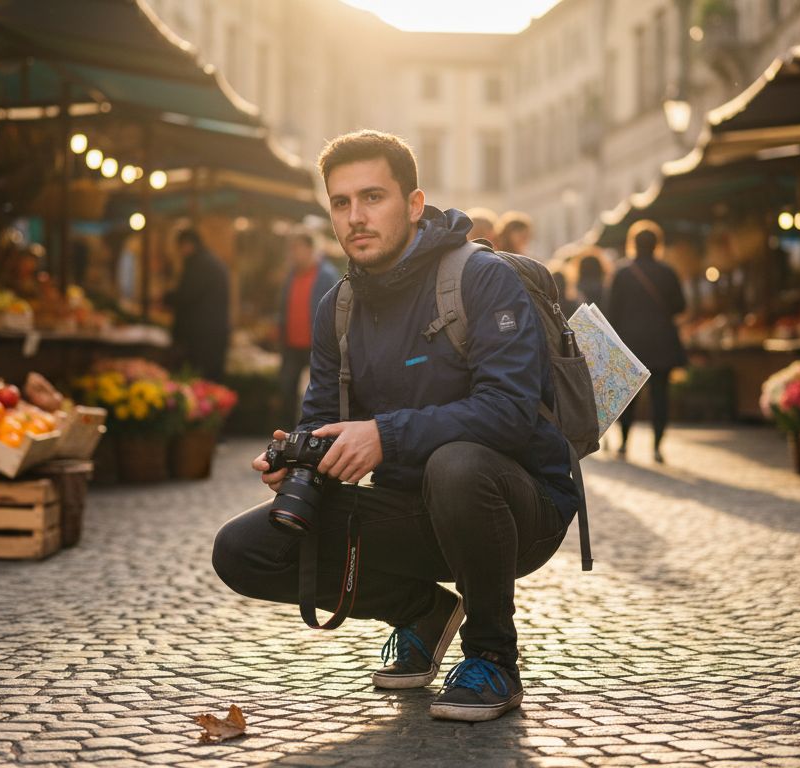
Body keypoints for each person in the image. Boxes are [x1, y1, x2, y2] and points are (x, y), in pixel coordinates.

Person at [213, 130, 578, 722]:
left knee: (455, 465)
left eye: (373, 197)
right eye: (341, 203)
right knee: (244, 548)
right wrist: (299, 459)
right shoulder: (337, 306)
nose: (356, 217)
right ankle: (422, 611)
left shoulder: (481, 279)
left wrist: (385, 435)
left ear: (413, 205)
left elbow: (509, 414)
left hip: (516, 511)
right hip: (411, 513)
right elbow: (322, 417)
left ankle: (493, 656)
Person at [606, 220, 687, 463]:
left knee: (628, 395)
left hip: (630, 343)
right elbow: (680, 306)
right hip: (662, 341)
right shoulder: (668, 272)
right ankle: (657, 446)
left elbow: (611, 311)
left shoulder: (621, 273)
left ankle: (623, 444)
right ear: (657, 245)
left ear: (633, 243)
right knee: (660, 395)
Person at [277, 230, 340, 425]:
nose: (294, 253)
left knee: (319, 391)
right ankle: (287, 433)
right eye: (292, 249)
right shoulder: (291, 275)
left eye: (298, 248)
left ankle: (314, 431)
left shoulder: (326, 275)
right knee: (286, 388)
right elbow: (284, 306)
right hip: (291, 344)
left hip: (316, 344)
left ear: (310, 249)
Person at [164, 227, 231, 382]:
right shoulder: (208, 261)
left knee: (201, 381)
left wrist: (166, 298)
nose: (180, 253)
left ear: (188, 245)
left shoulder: (200, 265)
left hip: (203, 336)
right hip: (212, 333)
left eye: (180, 247)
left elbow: (187, 295)